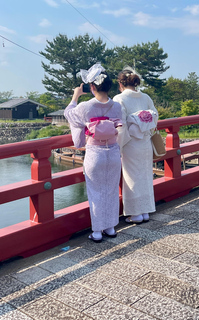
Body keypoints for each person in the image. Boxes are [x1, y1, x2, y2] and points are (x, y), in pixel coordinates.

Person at [64, 63, 122, 243]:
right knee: (111, 190)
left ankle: (97, 231)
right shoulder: (117, 106)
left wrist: (75, 96)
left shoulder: (85, 107)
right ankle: (111, 228)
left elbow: (69, 114)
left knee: (96, 192)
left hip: (95, 153)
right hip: (113, 152)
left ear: (92, 87)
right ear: (109, 86)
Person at [113, 67, 157, 224]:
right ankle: (145, 210)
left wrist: (118, 146)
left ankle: (136, 213)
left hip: (130, 143)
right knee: (145, 176)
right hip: (145, 142)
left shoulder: (119, 99)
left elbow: (121, 125)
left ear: (121, 83)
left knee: (131, 178)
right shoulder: (145, 97)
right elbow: (154, 116)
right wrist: (143, 124)